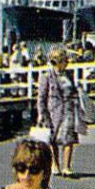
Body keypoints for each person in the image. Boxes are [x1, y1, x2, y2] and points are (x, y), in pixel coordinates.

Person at [37, 46, 86, 176]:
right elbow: (41, 97)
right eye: (64, 60)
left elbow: (73, 91)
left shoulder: (68, 75)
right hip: (53, 111)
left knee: (69, 138)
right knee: (52, 140)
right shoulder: (46, 76)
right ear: (57, 61)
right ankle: (55, 165)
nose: (67, 63)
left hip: (69, 109)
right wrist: (41, 113)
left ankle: (67, 166)